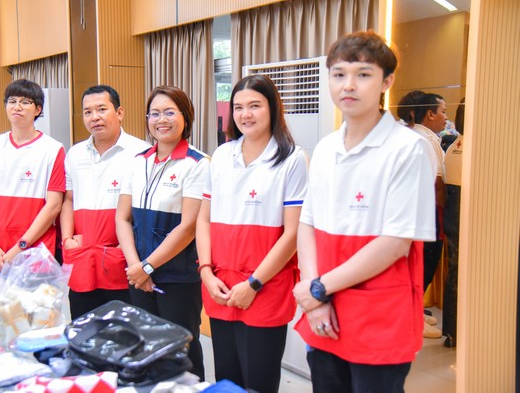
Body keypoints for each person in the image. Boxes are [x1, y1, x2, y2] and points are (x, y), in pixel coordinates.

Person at [292, 31, 436, 393]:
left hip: (378, 317)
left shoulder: (408, 149)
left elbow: (395, 243)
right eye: (339, 74)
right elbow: (307, 223)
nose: (349, 85)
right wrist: (315, 298)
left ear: (386, 82)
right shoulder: (325, 148)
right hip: (324, 311)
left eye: (364, 74)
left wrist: (319, 288)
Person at [196, 74, 308, 393]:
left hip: (264, 288)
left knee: (259, 381)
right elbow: (204, 219)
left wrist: (254, 283)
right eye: (238, 107)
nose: (245, 114)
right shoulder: (221, 155)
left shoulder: (292, 158)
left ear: (272, 108)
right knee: (227, 380)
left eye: (255, 106)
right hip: (221, 284)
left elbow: (292, 233)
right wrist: (206, 271)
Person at [116, 85, 209, 380]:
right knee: (146, 347)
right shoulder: (138, 161)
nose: (161, 120)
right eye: (154, 114)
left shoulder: (197, 163)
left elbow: (189, 226)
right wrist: (136, 266)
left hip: (178, 276)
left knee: (181, 350)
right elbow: (122, 218)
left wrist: (148, 266)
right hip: (138, 274)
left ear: (185, 116)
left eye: (169, 112)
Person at [61, 85, 149, 319]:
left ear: (119, 112)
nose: (94, 117)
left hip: (122, 259)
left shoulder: (141, 152)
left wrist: (127, 246)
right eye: (87, 112)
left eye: (101, 109)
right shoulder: (75, 154)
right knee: (83, 329)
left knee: (124, 332)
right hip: (83, 258)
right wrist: (67, 238)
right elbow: (68, 200)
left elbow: (145, 209)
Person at [0, 79, 66, 272]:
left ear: (38, 109)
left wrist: (19, 248)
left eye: (25, 102)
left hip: (34, 250)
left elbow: (54, 205)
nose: (17, 107)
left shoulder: (53, 149)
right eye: (12, 101)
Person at [410, 92, 448, 339]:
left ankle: (415, 309)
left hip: (418, 210)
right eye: (443, 111)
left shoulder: (416, 135)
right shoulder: (425, 139)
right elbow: (436, 181)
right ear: (430, 114)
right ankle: (413, 316)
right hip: (426, 210)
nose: (446, 117)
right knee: (425, 261)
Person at [442, 98, 465, 348]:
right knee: (461, 275)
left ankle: (451, 331)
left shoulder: (453, 145)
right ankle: (458, 331)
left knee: (454, 273)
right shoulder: (475, 147)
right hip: (462, 215)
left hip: (452, 215)